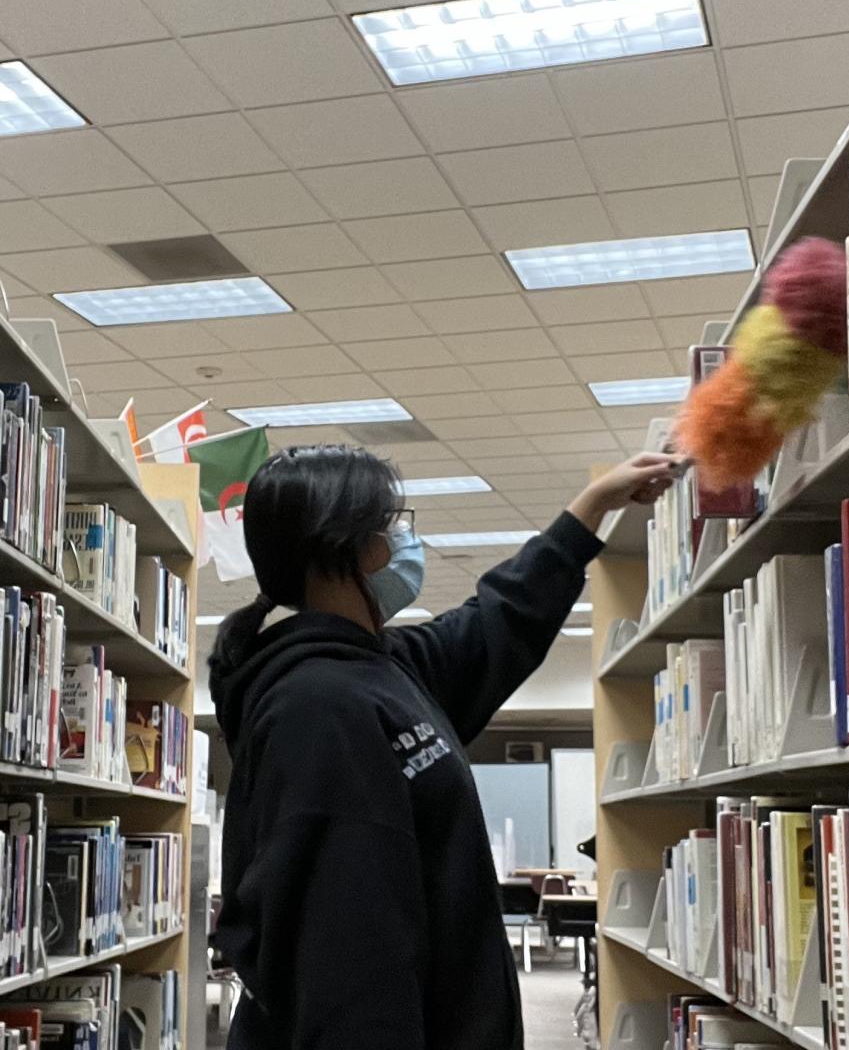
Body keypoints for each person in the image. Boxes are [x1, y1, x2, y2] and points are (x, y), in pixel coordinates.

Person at [210, 443, 674, 1050]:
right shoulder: (317, 708)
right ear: (353, 543)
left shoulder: (381, 668)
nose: (402, 539)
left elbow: (494, 622)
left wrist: (591, 508)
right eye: (391, 523)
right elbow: (347, 958)